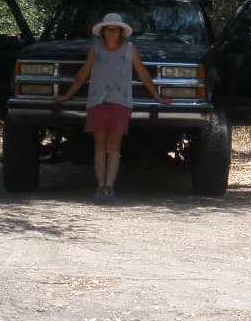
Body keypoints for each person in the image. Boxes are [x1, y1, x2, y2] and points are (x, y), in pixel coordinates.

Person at [55, 12, 170, 201]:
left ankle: (110, 186)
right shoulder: (95, 50)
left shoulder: (129, 49)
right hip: (98, 101)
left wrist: (157, 96)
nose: (111, 33)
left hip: (120, 101)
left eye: (115, 30)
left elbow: (143, 74)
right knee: (99, 146)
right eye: (108, 30)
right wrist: (68, 95)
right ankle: (100, 186)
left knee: (114, 146)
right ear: (103, 31)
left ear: (120, 32)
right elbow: (83, 74)